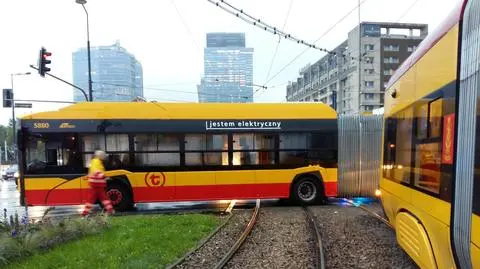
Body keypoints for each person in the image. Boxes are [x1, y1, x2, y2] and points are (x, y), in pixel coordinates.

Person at [81, 150, 114, 216]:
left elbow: (93, 172)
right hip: (96, 184)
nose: (104, 157)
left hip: (97, 184)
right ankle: (85, 213)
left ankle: (110, 210)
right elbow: (97, 172)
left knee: (101, 198)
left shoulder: (96, 161)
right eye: (103, 156)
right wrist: (104, 177)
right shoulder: (96, 162)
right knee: (95, 199)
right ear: (100, 156)